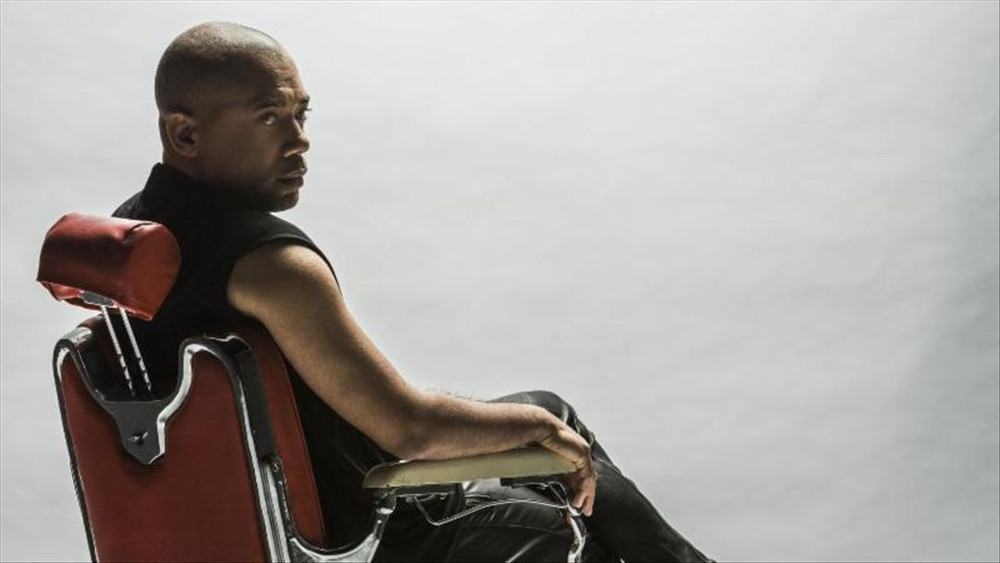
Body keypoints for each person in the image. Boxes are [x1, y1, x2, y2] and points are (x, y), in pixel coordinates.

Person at [113, 21, 713, 562]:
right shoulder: (270, 265)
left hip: (264, 505)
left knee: (549, 409)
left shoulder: (133, 238)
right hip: (381, 528)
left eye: (302, 114)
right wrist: (540, 430)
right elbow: (410, 429)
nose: (299, 140)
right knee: (569, 483)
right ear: (185, 133)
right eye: (270, 117)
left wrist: (538, 422)